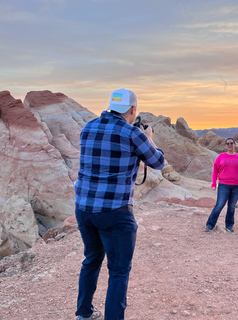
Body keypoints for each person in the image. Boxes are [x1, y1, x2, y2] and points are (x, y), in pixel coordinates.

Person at [75, 89, 165, 320]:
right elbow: (158, 162)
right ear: (133, 110)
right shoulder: (132, 133)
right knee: (118, 271)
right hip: (115, 212)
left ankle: (84, 313)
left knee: (91, 259)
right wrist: (150, 137)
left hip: (84, 208)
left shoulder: (88, 127)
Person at [204, 138, 238, 232]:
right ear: (226, 145)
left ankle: (229, 226)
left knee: (231, 206)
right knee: (219, 205)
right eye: (228, 143)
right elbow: (215, 170)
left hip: (237, 186)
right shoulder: (221, 157)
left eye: (231, 143)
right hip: (223, 185)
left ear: (234, 145)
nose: (230, 145)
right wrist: (213, 183)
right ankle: (209, 225)